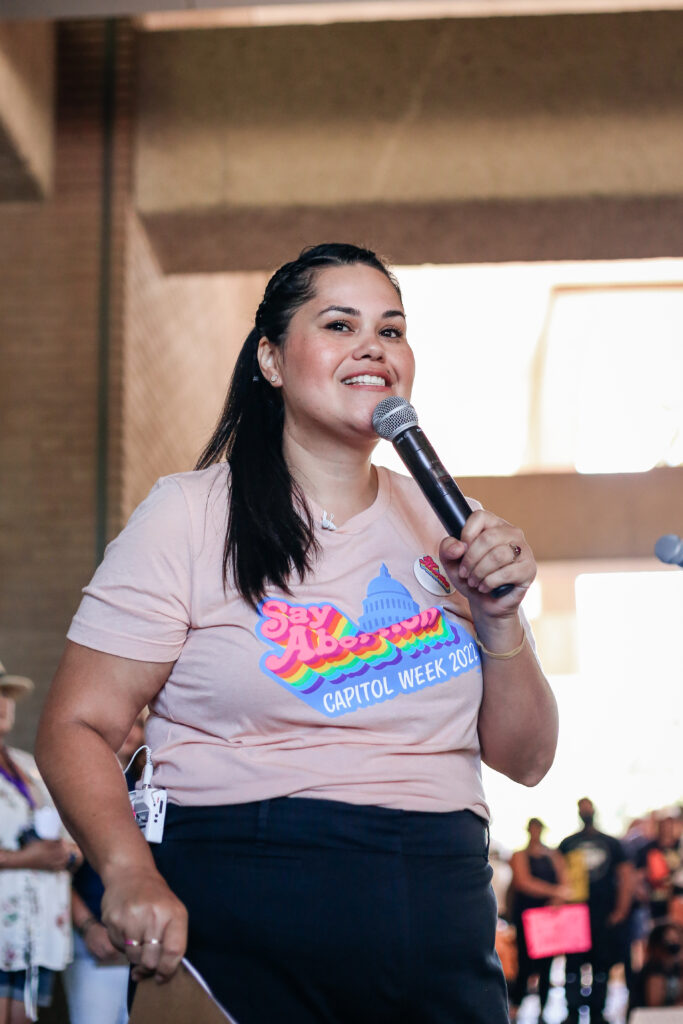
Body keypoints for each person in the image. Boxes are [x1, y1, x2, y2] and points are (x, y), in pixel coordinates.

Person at [35, 242, 559, 1024]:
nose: (373, 349)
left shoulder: (446, 522)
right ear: (272, 360)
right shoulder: (189, 514)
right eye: (340, 324)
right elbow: (76, 724)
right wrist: (129, 872)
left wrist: (497, 614)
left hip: (436, 907)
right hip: (242, 898)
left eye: (391, 330)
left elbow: (526, 759)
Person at [0, 661, 77, 1024]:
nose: (2, 702)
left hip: (37, 927)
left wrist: (67, 854)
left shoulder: (28, 765)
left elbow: (69, 834)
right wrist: (25, 858)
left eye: (6, 694)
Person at [62, 713, 147, 1024]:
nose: (129, 730)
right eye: (124, 721)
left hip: (143, 942)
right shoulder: (80, 782)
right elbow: (59, 866)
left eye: (137, 724)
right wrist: (87, 928)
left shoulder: (153, 785)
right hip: (93, 937)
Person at [559, 797, 633, 1024]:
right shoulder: (568, 843)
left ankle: (597, 1010)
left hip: (603, 914)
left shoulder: (611, 843)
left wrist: (621, 909)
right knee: (572, 966)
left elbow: (626, 875)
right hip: (574, 915)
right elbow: (559, 876)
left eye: (588, 808)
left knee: (601, 965)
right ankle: (572, 1009)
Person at [508, 817, 568, 1021]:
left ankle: (544, 1007)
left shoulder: (553, 855)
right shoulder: (520, 855)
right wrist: (554, 891)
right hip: (527, 915)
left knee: (547, 964)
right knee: (525, 963)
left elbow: (564, 882)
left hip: (548, 915)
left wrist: (557, 897)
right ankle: (516, 1006)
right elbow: (524, 882)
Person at [635, 920, 683, 1008]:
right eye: (669, 941)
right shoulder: (653, 969)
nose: (674, 944)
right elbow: (655, 1005)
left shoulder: (676, 968)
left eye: (677, 939)